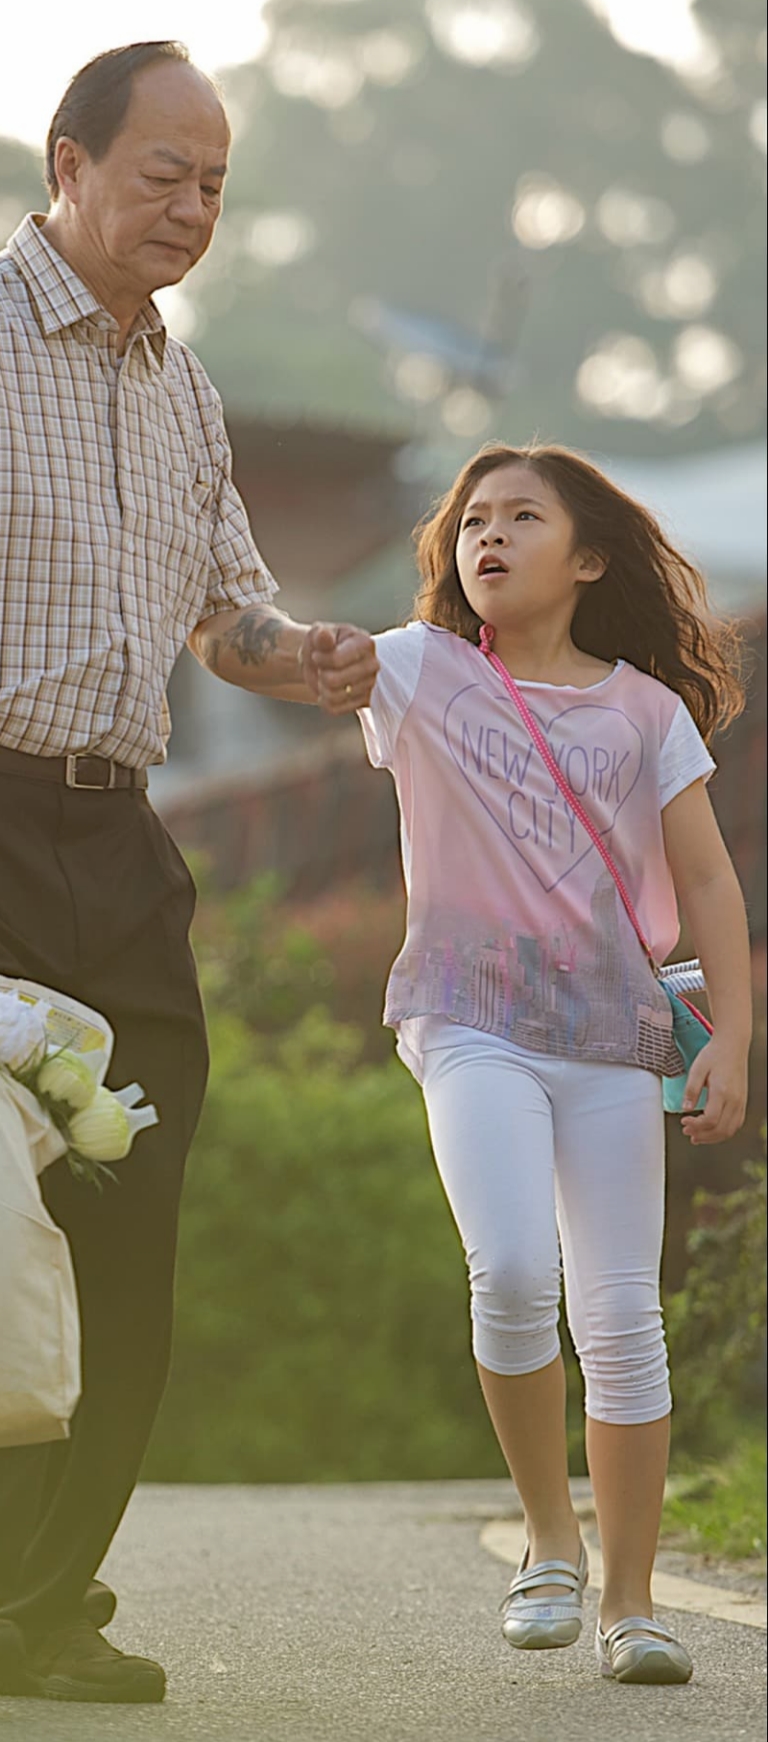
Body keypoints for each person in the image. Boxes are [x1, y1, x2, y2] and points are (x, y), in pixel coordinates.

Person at [0, 40, 378, 1705]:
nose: (190, 207)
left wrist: (304, 652)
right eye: (163, 173)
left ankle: (40, 1591)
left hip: (114, 829)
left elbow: (220, 615)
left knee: (131, 1195)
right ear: (71, 164)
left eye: (215, 187)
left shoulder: (177, 380)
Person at [334, 441, 749, 1687]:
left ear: (590, 558)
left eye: (523, 518)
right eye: (472, 524)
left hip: (614, 1034)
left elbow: (712, 878)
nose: (489, 538)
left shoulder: (646, 712)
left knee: (622, 1313)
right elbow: (302, 657)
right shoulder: (418, 674)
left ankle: (633, 1603)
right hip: (466, 1016)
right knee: (513, 1267)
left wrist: (733, 1034)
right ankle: (548, 1544)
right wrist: (229, 615)